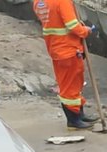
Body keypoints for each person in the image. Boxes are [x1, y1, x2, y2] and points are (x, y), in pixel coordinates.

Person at [32, 0, 97, 129]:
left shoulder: (38, 2)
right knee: (70, 85)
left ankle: (78, 113)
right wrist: (86, 30)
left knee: (73, 82)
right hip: (68, 48)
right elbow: (72, 26)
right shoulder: (62, 2)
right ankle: (73, 119)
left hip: (56, 47)